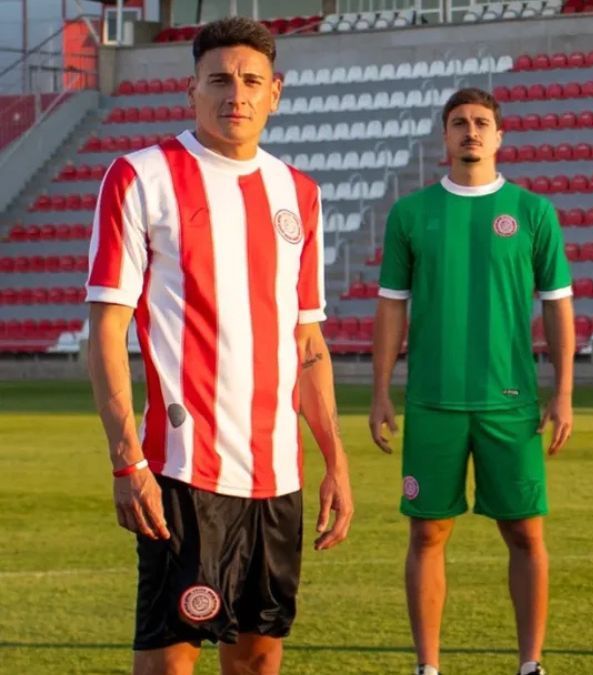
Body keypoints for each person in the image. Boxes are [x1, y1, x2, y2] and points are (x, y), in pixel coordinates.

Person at [85, 17, 353, 675]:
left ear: (275, 93)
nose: (237, 94)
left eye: (252, 81)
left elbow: (308, 341)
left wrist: (335, 460)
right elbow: (107, 330)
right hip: (183, 469)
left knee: (259, 658)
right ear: (192, 90)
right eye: (220, 80)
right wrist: (126, 462)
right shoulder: (141, 177)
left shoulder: (299, 193)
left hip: (278, 475)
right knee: (168, 663)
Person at [369, 87, 574, 675]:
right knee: (427, 534)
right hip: (433, 401)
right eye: (459, 122)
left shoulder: (532, 212)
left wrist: (563, 392)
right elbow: (391, 306)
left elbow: (558, 304)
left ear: (499, 136)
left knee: (525, 534)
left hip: (510, 403)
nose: (471, 131)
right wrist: (381, 391)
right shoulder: (412, 214)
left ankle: (530, 664)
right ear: (446, 136)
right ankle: (428, 668)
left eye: (481, 122)